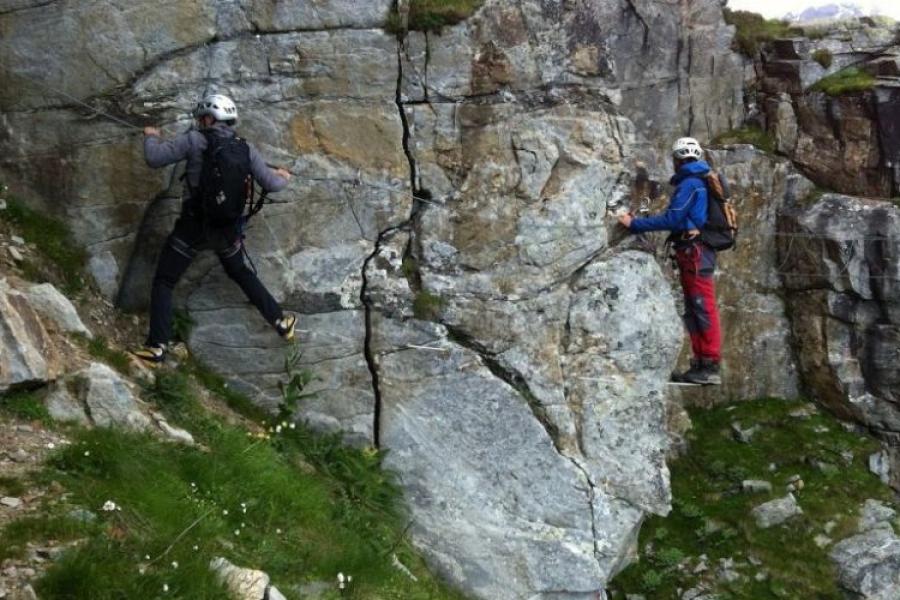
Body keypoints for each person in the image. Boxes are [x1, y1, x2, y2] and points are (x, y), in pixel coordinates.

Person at [132, 94, 296, 364]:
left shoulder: (195, 140)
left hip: (194, 227)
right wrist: (283, 176)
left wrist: (151, 135)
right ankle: (280, 320)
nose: (199, 122)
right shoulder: (245, 148)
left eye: (201, 118)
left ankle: (158, 344)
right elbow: (273, 184)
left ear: (209, 118)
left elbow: (154, 158)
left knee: (164, 281)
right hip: (227, 230)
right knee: (240, 272)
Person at [618, 137, 722, 386]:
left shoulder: (690, 184)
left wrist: (635, 225)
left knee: (701, 306)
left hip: (694, 252)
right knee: (696, 306)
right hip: (695, 251)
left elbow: (673, 219)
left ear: (677, 160)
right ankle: (701, 364)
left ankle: (709, 364)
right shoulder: (699, 181)